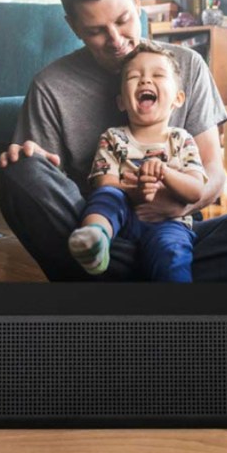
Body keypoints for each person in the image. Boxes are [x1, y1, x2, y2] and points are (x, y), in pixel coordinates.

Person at [0, 0, 227, 281]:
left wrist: (178, 206)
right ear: (74, 26)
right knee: (18, 174)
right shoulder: (51, 86)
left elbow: (214, 174)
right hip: (102, 227)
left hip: (177, 233)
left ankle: (117, 281)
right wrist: (27, 161)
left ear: (137, 1)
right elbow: (45, 190)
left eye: (122, 20)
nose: (117, 41)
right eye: (96, 31)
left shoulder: (187, 65)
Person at [68, 42, 206, 282]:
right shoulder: (113, 137)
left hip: (169, 222)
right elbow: (104, 182)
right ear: (121, 101)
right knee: (108, 197)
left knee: (172, 253)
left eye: (158, 75)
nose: (145, 81)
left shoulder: (181, 140)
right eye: (134, 76)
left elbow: (195, 191)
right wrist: (136, 190)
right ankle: (95, 239)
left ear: (178, 98)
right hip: (122, 218)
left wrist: (165, 174)